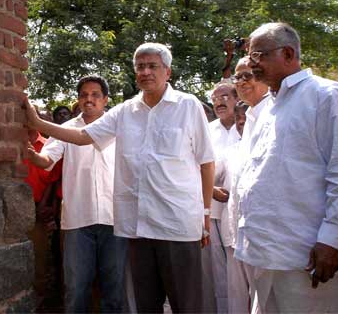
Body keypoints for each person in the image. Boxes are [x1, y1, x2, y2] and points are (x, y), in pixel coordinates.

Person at [25, 42, 215, 313]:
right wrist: (38, 123)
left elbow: (206, 163)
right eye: (140, 66)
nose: (145, 72)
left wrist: (205, 212)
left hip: (177, 223)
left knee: (185, 303)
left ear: (168, 72)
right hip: (138, 225)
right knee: (146, 302)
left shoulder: (188, 106)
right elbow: (81, 136)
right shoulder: (125, 111)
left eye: (152, 66)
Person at [234, 22, 338, 312]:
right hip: (262, 255)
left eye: (258, 55)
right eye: (249, 55)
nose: (251, 63)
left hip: (306, 257)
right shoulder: (266, 107)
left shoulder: (327, 95)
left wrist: (333, 240)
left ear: (288, 53)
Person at [28, 75, 127, 313]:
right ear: (78, 99)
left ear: (105, 100)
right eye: (84, 95)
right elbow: (47, 160)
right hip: (77, 221)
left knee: (113, 289)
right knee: (75, 288)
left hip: (115, 219)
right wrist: (31, 154)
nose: (89, 99)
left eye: (95, 95)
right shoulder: (66, 129)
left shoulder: (119, 128)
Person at [223, 57, 270, 314]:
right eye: (238, 77)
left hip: (273, 238)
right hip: (246, 237)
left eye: (248, 75)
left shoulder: (274, 113)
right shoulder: (251, 118)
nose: (242, 82)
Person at [203, 83, 240, 313]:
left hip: (238, 211)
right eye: (215, 98)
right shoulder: (208, 130)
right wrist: (212, 190)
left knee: (238, 274)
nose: (219, 102)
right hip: (211, 210)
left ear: (237, 99)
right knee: (214, 273)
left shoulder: (247, 126)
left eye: (225, 96)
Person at [24, 129, 63, 309]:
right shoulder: (12, 142)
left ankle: (39, 300)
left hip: (38, 207)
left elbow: (53, 179)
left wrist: (44, 205)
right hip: (15, 204)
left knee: (40, 256)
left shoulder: (49, 144)